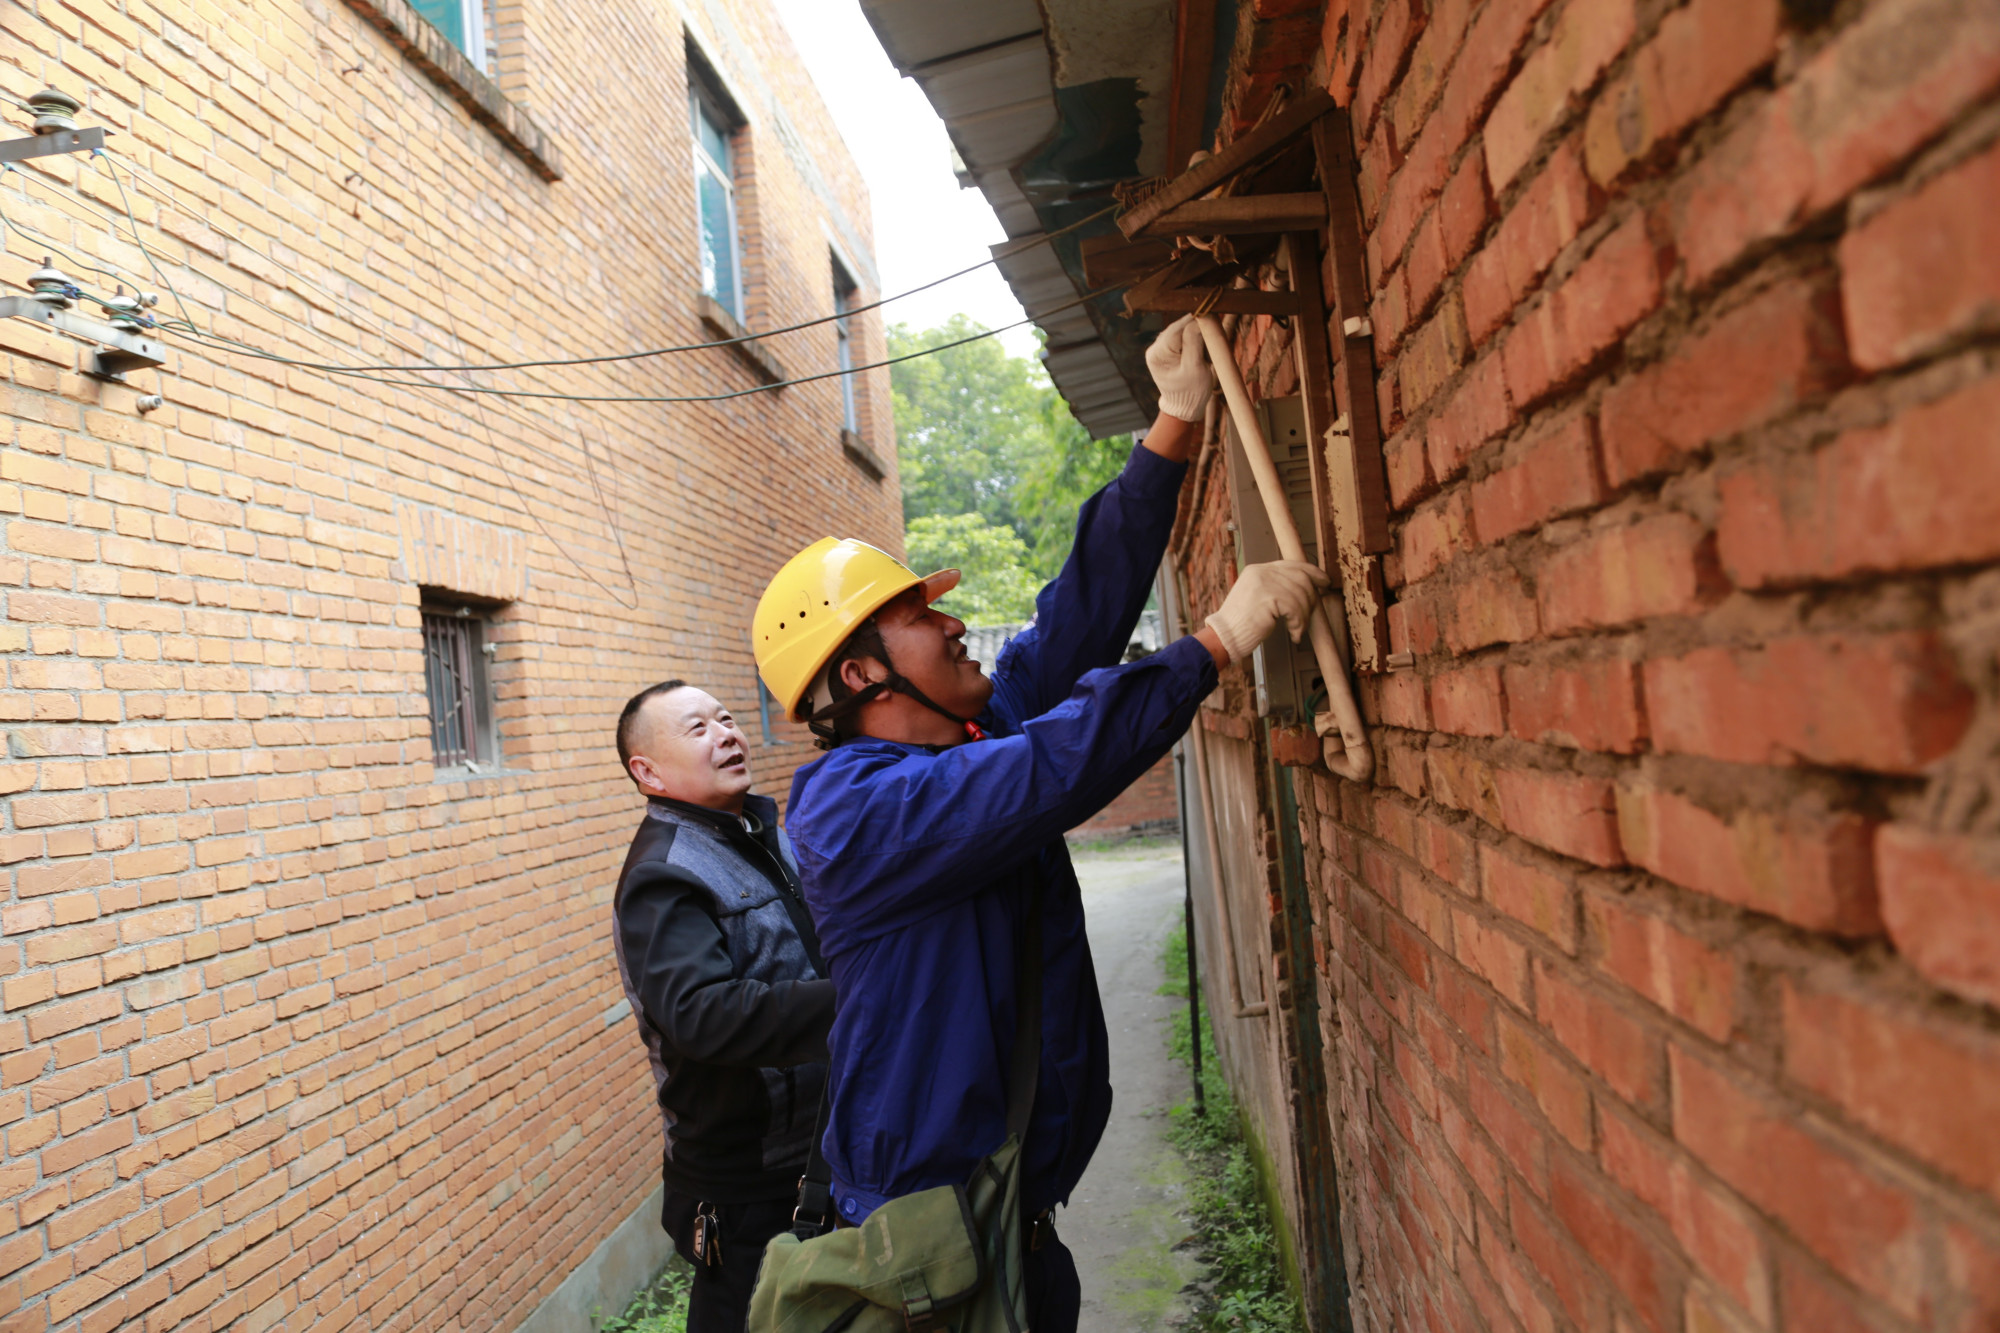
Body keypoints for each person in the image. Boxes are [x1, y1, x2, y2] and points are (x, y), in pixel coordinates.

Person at [749, 316, 1328, 1332]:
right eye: (919, 617)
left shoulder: (956, 744)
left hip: (1008, 1230)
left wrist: (1173, 425)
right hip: (927, 1262)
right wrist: (1213, 642)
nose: (951, 619)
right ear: (860, 674)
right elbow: (1048, 767)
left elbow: (1071, 624)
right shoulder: (853, 812)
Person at [609, 680, 834, 1333]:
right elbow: (703, 1014)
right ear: (647, 770)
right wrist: (860, 998)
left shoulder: (760, 833)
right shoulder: (665, 871)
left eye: (727, 718)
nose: (728, 734)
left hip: (817, 1150)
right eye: (698, 728)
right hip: (749, 1185)